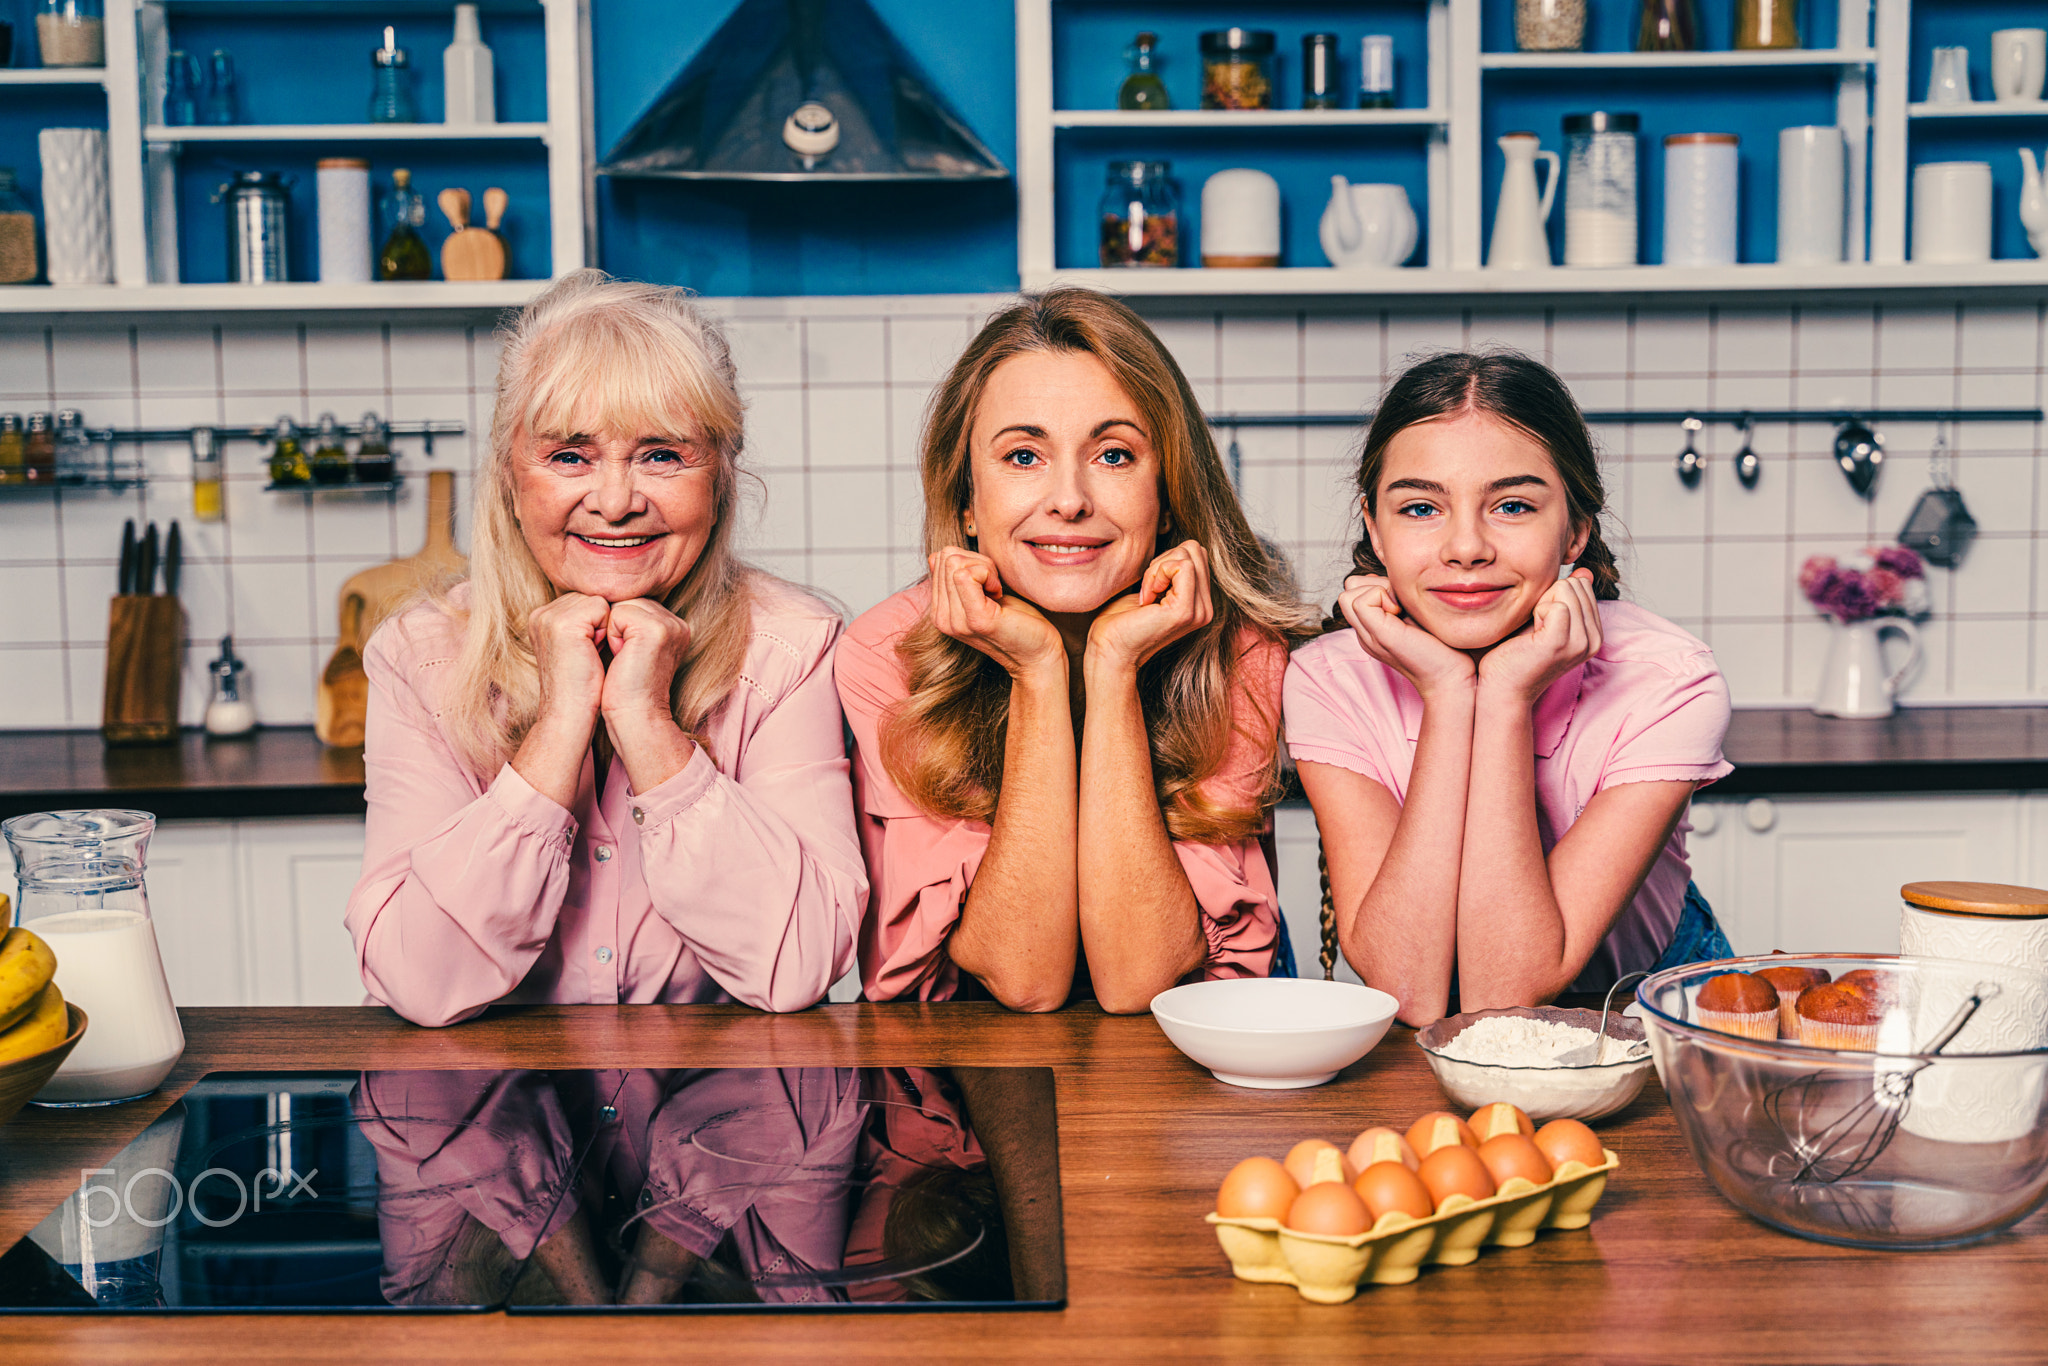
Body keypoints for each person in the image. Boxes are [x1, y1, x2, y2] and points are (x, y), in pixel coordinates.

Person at [344, 270, 866, 1027]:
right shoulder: (420, 655)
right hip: (489, 1120)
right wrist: (561, 725)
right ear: (509, 478)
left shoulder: (793, 647)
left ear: (721, 474)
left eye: (661, 455)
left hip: (717, 1118)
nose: (617, 500)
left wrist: (647, 723)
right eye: (570, 456)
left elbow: (800, 963)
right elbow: (421, 981)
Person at [835, 289, 1317, 1013]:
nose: (1069, 499)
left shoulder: (1240, 654)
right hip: (969, 1083)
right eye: (1024, 456)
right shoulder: (886, 656)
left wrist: (1115, 665)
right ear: (966, 499)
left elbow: (1139, 980)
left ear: (1168, 493)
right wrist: (1037, 672)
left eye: (1114, 455)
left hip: (1190, 1083)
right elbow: (1022, 977)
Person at [1284, 351, 1734, 1026]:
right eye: (1420, 508)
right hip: (1424, 1031)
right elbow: (1408, 991)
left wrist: (1502, 698)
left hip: (1635, 1010)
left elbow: (1506, 991)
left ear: (1576, 530)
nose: (1466, 546)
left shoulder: (1668, 682)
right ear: (1374, 529)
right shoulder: (1328, 679)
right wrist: (1445, 690)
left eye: (1514, 505)